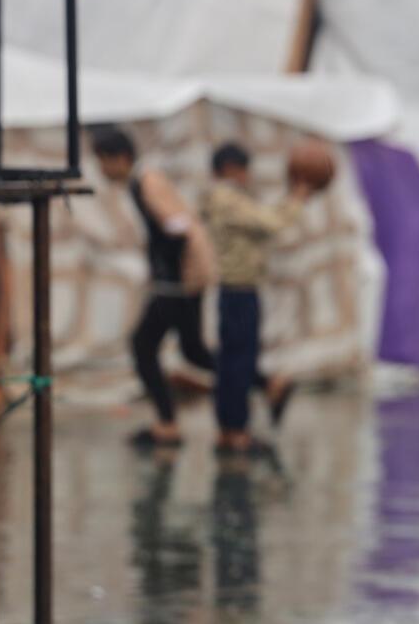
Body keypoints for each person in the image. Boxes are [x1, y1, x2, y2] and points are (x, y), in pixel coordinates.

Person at [92, 127, 218, 449]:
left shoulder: (145, 183)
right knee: (193, 351)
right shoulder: (143, 181)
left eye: (103, 161)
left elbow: (176, 227)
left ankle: (168, 423)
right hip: (177, 282)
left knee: (145, 346)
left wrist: (170, 279)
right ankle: (263, 381)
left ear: (119, 158)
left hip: (176, 284)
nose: (102, 170)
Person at [201, 143, 312, 455]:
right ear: (232, 169)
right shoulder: (226, 197)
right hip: (238, 290)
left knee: (233, 361)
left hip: (238, 289)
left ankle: (231, 427)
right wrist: (297, 200)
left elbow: (263, 222)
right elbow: (269, 222)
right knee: (238, 361)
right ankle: (237, 430)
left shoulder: (228, 199)